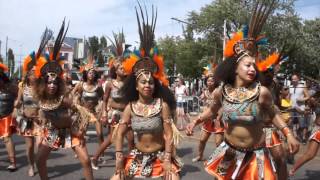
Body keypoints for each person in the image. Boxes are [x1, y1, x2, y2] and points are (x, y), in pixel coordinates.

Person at [186, 1, 299, 179]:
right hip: (229, 151)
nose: (253, 69)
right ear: (235, 67)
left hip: (256, 155)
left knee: (279, 160)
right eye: (247, 65)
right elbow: (212, 110)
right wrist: (195, 121)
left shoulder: (261, 92)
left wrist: (289, 135)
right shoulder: (221, 91)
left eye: (254, 65)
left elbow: (274, 114)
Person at [111, 4, 182, 179]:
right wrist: (119, 156)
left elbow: (168, 134)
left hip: (159, 157)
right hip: (137, 156)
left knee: (174, 178)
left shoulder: (161, 105)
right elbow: (119, 133)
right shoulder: (130, 107)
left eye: (150, 82)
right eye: (143, 82)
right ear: (136, 86)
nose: (147, 85)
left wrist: (167, 158)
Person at [33, 20, 94, 180]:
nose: (52, 85)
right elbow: (42, 114)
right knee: (39, 160)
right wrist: (42, 123)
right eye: (49, 82)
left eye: (55, 82)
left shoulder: (63, 99)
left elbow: (83, 113)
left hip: (71, 130)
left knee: (86, 161)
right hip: (53, 132)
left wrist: (80, 131)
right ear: (43, 85)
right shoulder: (40, 99)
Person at [91, 31, 134, 170]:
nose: (123, 70)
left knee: (130, 139)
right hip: (115, 114)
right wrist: (104, 113)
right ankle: (95, 158)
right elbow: (104, 100)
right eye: (120, 68)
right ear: (116, 70)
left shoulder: (128, 83)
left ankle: (130, 163)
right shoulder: (110, 83)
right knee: (112, 139)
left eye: (124, 68)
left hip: (127, 115)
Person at [72, 59, 104, 149]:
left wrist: (102, 108)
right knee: (81, 133)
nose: (92, 75)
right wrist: (76, 102)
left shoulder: (98, 86)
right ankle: (80, 149)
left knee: (100, 134)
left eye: (93, 73)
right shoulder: (81, 85)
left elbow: (103, 98)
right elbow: (72, 94)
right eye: (90, 73)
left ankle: (100, 153)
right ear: (86, 74)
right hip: (84, 112)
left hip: (95, 112)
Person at [192, 69, 223, 162]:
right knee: (202, 140)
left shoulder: (218, 92)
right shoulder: (205, 92)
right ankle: (200, 156)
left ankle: (220, 160)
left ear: (215, 82)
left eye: (212, 80)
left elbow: (222, 105)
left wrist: (219, 117)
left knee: (218, 143)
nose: (210, 82)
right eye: (208, 81)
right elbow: (204, 104)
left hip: (218, 120)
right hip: (207, 120)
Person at [290, 91, 320, 176]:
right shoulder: (315, 101)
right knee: (310, 154)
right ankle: (292, 170)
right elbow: (309, 99)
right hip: (318, 130)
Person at [0, 62, 18, 171]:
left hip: (6, 116)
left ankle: (13, 162)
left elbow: (20, 95)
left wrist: (16, 105)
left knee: (7, 138)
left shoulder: (11, 87)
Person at [290, 74, 310, 143]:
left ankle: (304, 138)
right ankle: (295, 136)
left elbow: (308, 96)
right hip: (292, 108)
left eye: (295, 79)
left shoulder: (302, 87)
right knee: (293, 123)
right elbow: (289, 96)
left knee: (302, 124)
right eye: (292, 79)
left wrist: (302, 99)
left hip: (301, 108)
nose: (293, 80)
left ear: (298, 79)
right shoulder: (290, 87)